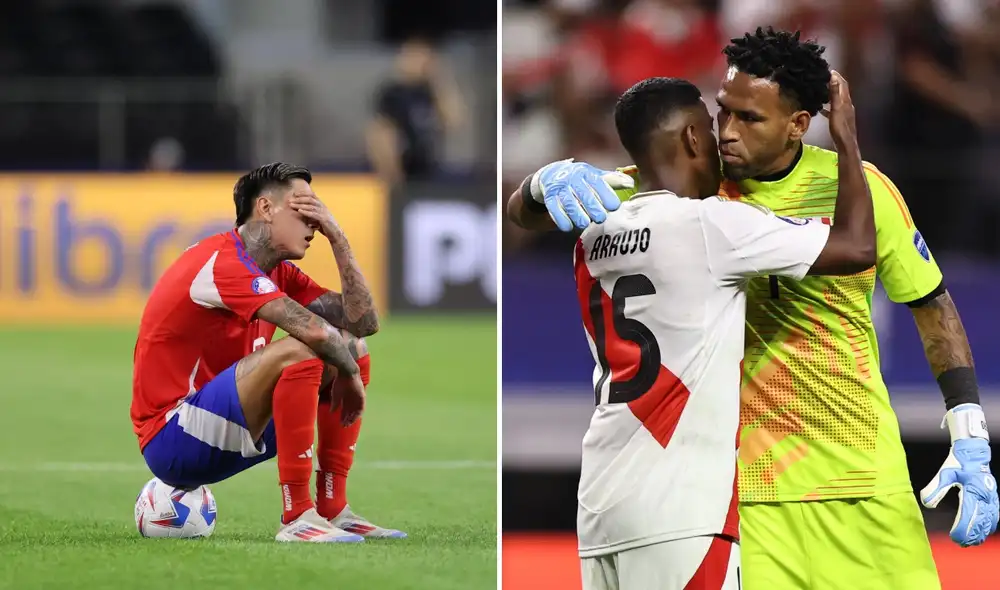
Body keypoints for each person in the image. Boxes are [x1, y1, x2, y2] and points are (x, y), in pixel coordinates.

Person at [511, 27, 999, 588]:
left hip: (864, 480)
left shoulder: (860, 191)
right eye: (723, 113)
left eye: (751, 118)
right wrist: (542, 183)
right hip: (748, 497)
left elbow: (931, 304)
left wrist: (969, 434)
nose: (728, 133)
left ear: (798, 123)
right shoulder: (693, 192)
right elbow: (532, 213)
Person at [508, 70, 874, 589]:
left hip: (600, 505)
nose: (724, 139)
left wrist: (538, 182)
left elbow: (523, 214)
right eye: (711, 124)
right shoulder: (715, 226)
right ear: (692, 137)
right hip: (683, 512)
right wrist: (846, 138)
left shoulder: (593, 231)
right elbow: (858, 248)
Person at [131, 162, 405, 542]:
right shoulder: (222, 262)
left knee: (353, 347)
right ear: (265, 209)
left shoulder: (279, 272)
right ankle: (297, 517)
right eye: (305, 212)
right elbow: (313, 332)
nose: (315, 223)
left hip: (227, 422)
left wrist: (339, 239)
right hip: (172, 437)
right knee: (306, 347)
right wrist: (350, 377)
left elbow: (364, 323)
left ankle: (333, 509)